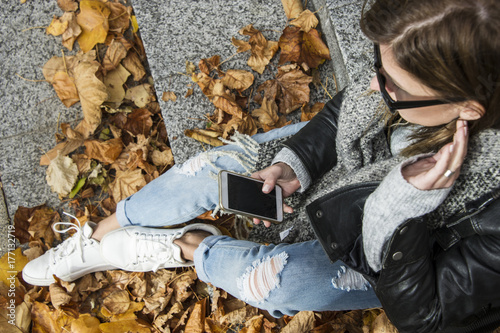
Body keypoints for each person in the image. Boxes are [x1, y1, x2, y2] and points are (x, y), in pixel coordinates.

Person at [22, 0, 500, 331]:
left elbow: (426, 316)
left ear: (468, 109)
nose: (372, 87)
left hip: (397, 259)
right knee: (219, 168)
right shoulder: (428, 76)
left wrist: (396, 210)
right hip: (349, 175)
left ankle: (192, 246)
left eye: (392, 84)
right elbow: (343, 112)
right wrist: (297, 164)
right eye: (376, 64)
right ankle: (104, 233)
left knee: (274, 281)